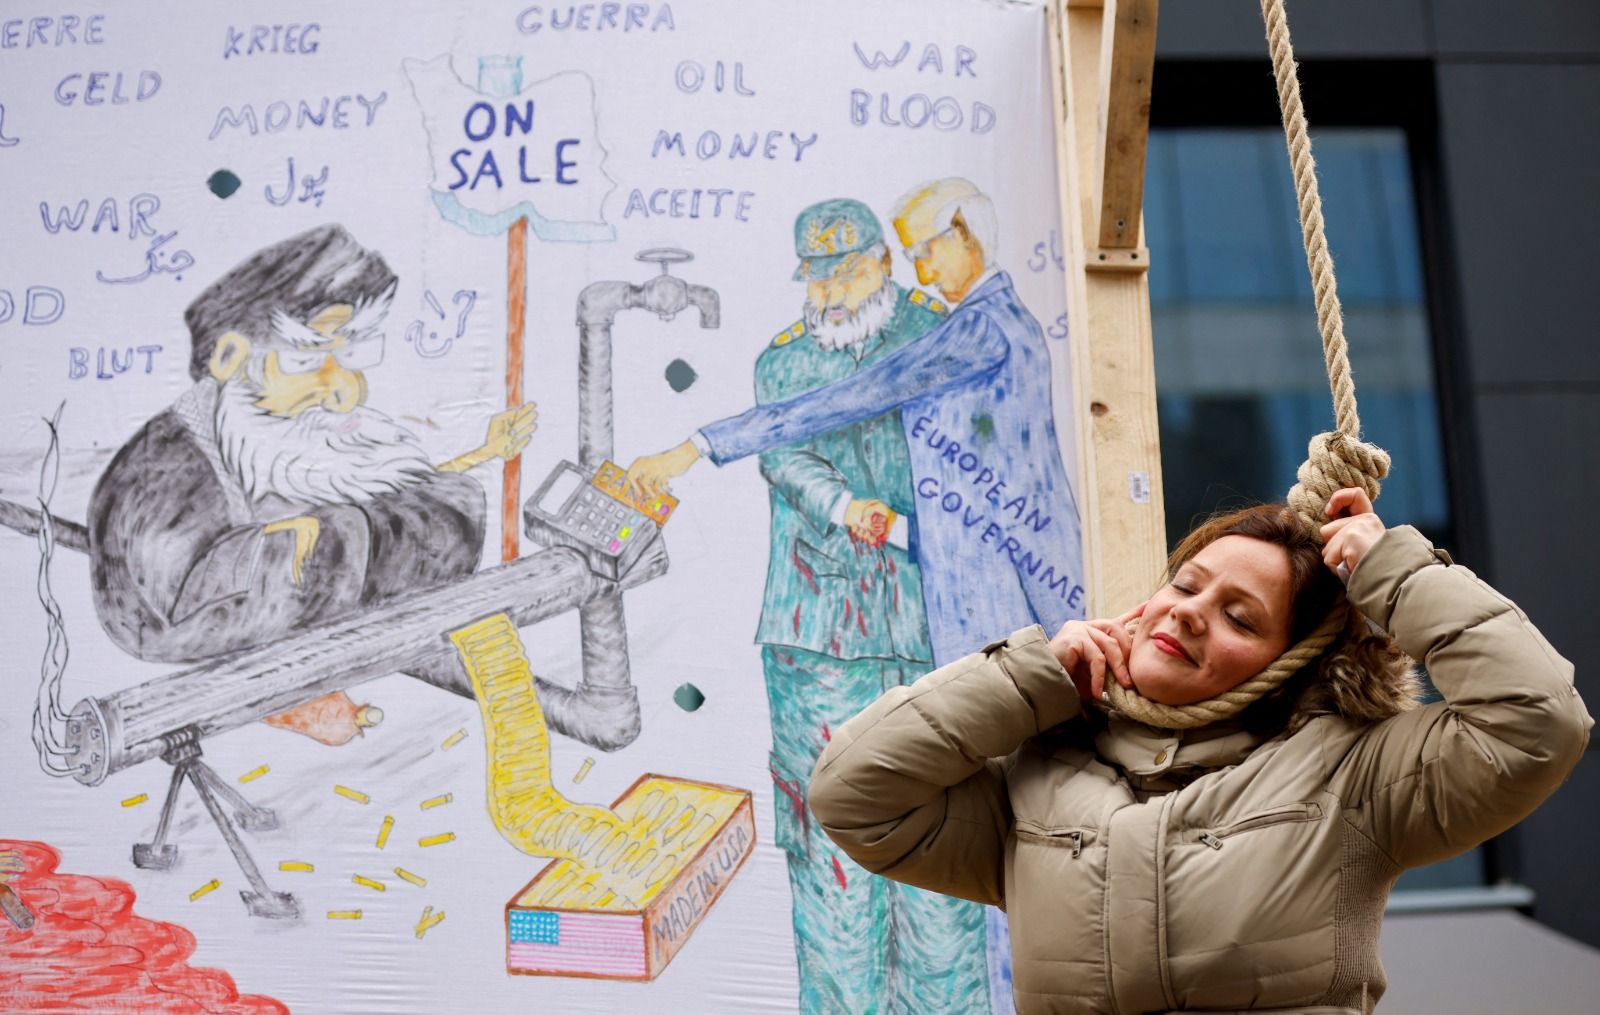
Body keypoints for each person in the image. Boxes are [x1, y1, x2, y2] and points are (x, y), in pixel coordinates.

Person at [808, 488, 1592, 1014]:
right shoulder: (1037, 768)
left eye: (1239, 618)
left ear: (1292, 667)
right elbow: (852, 793)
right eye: (1186, 586)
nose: (1188, 615)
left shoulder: (1356, 773)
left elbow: (1538, 721)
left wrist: (1393, 570)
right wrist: (1025, 677)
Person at [87, 224, 535, 739]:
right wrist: (265, 544)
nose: (344, 390)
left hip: (266, 561)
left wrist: (480, 456)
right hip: (169, 615)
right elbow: (169, 586)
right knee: (342, 532)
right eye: (305, 360)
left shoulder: (257, 435)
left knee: (449, 501)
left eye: (347, 357)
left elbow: (347, 483)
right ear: (231, 358)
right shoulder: (164, 468)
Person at [628, 177, 1084, 668]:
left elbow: (851, 398)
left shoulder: (979, 328)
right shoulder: (1007, 319)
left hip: (991, 586)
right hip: (998, 574)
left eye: (924, 255)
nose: (925, 277)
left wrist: (696, 448)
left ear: (961, 233)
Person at [750, 198, 992, 1014]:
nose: (836, 292)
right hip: (818, 638)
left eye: (850, 271)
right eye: (820, 278)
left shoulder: (937, 333)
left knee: (946, 842)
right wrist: (846, 505)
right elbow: (783, 453)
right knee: (831, 856)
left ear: (885, 264)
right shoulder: (782, 364)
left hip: (934, 625)